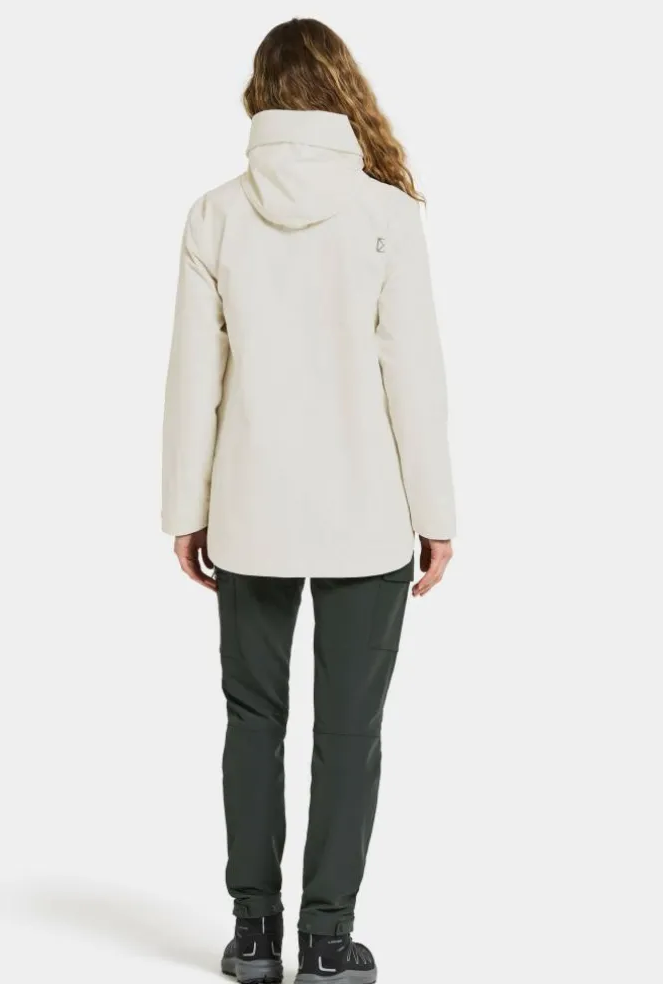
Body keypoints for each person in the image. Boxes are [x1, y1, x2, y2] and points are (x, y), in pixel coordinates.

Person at [161, 18, 455, 984]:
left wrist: (186, 509)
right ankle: (328, 940)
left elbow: (194, 380)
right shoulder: (385, 213)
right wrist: (436, 515)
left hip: (249, 511)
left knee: (252, 719)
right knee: (350, 732)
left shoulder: (215, 214)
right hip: (369, 515)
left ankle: (254, 936)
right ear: (341, 89)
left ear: (261, 94)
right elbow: (413, 377)